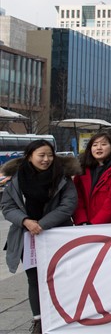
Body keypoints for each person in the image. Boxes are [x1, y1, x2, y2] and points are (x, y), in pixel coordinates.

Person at [0, 140, 79, 333]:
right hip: (27, 237)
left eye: (50, 155)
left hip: (57, 235)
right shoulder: (17, 179)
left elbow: (68, 205)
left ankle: (63, 316)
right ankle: (39, 320)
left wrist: (42, 224)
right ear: (29, 157)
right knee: (34, 279)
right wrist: (26, 221)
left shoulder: (62, 178)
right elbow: (7, 207)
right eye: (41, 155)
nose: (46, 159)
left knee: (60, 277)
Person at [72, 132, 111, 225]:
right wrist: (81, 221)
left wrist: (94, 224)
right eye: (95, 145)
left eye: (103, 144)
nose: (99, 148)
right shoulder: (82, 170)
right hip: (86, 225)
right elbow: (77, 197)